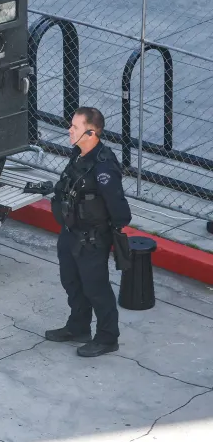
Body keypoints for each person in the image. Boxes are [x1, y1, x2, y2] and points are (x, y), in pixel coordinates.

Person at [46, 107, 131, 358]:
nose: (69, 131)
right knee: (71, 281)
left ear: (91, 132)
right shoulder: (79, 155)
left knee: (96, 288)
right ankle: (78, 327)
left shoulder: (103, 167)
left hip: (92, 238)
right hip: (71, 232)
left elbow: (119, 208)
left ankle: (107, 337)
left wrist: (106, 232)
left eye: (75, 127)